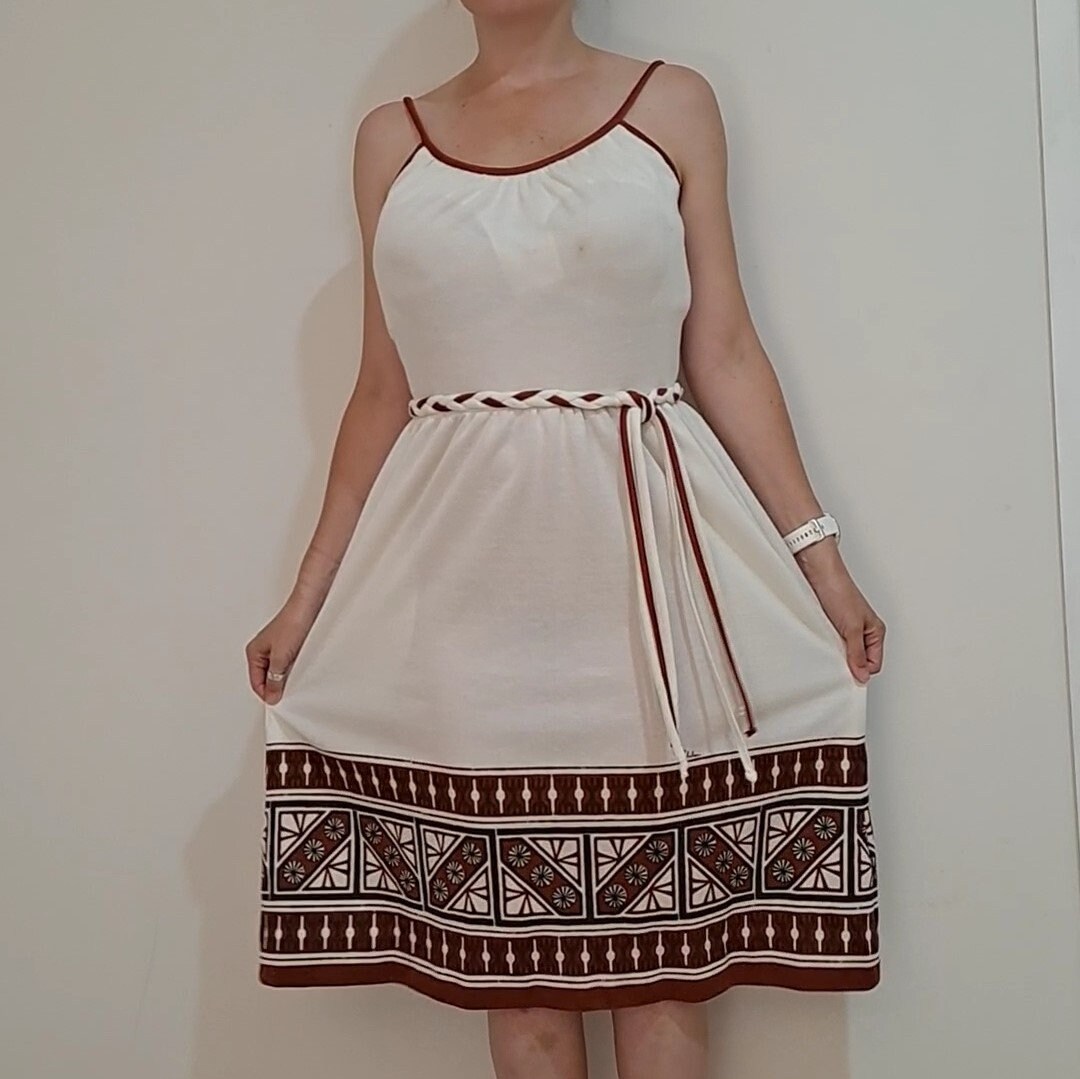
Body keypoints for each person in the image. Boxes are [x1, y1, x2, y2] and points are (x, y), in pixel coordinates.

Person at [246, 3, 886, 1076]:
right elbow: (381, 388)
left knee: (663, 954)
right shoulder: (389, 140)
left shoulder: (673, 104)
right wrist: (305, 598)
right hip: (467, 587)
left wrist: (821, 559)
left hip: (647, 583)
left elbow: (724, 350)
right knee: (516, 956)